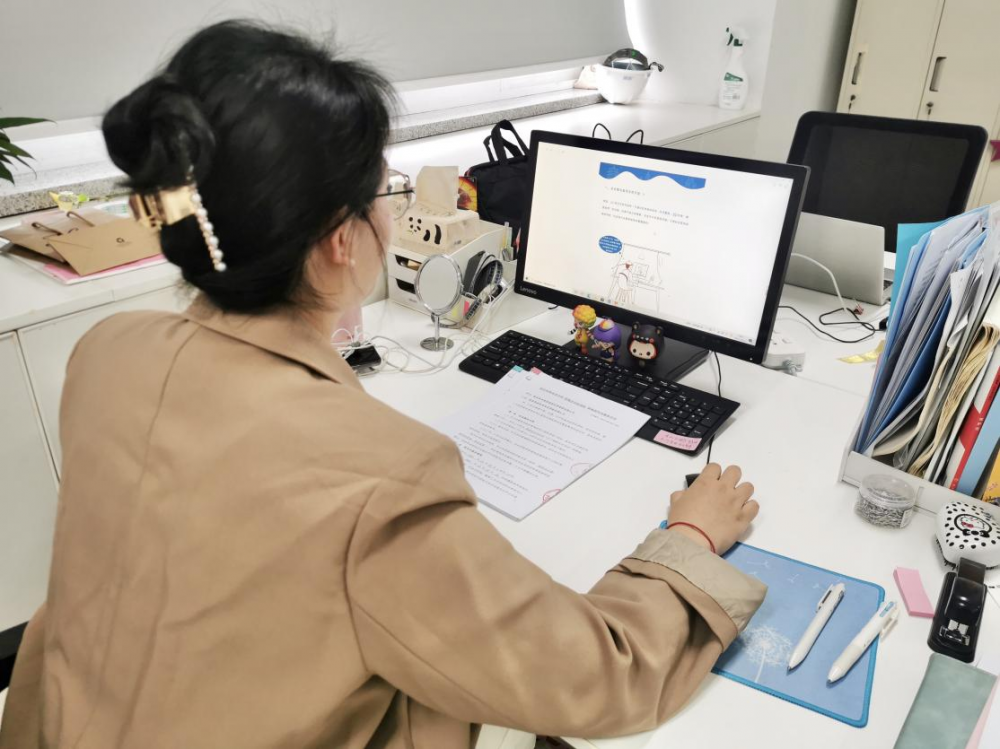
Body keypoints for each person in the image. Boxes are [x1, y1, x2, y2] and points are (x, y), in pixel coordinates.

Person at [0, 21, 764, 749]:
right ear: (342, 239)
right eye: (386, 191)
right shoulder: (383, 476)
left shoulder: (108, 354)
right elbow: (596, 673)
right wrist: (691, 538)